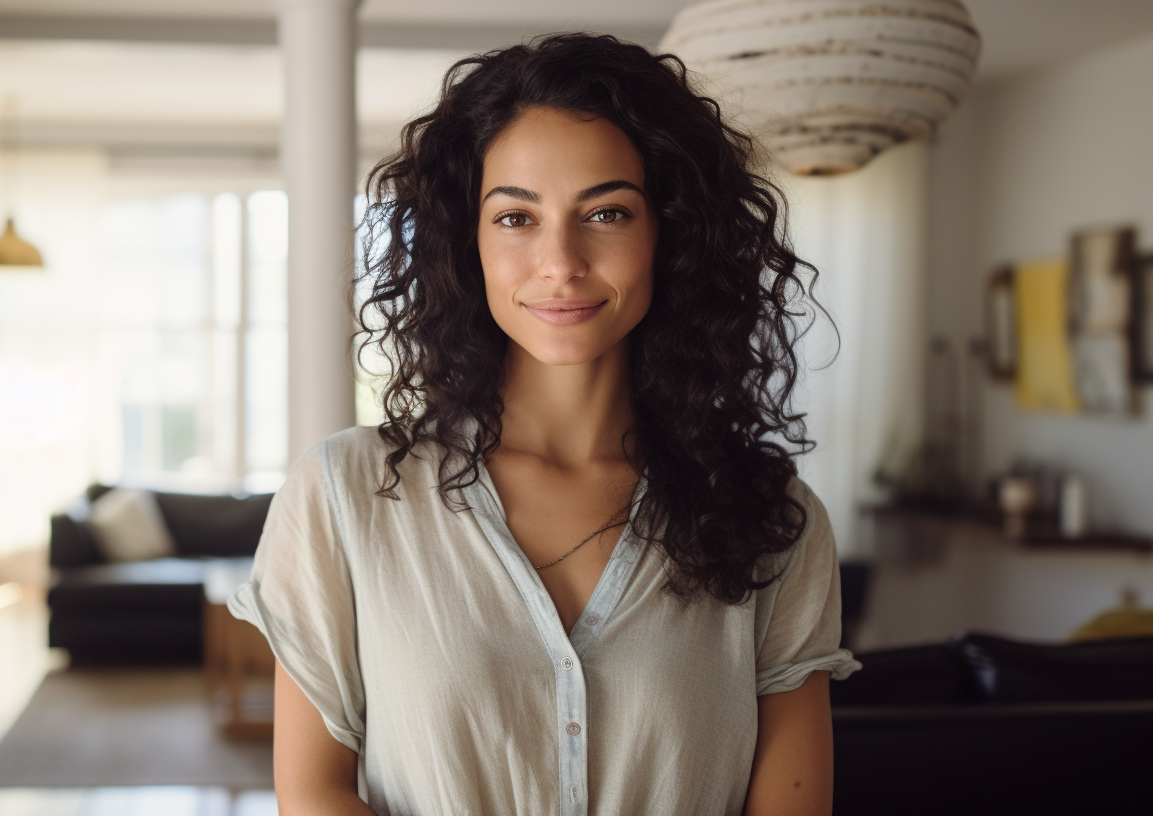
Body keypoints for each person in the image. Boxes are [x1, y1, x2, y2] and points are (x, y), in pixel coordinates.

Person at [228, 33, 859, 816]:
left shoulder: (773, 520)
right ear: (469, 242)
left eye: (606, 212)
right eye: (517, 218)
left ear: (671, 233)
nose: (560, 261)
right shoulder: (345, 494)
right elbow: (314, 793)